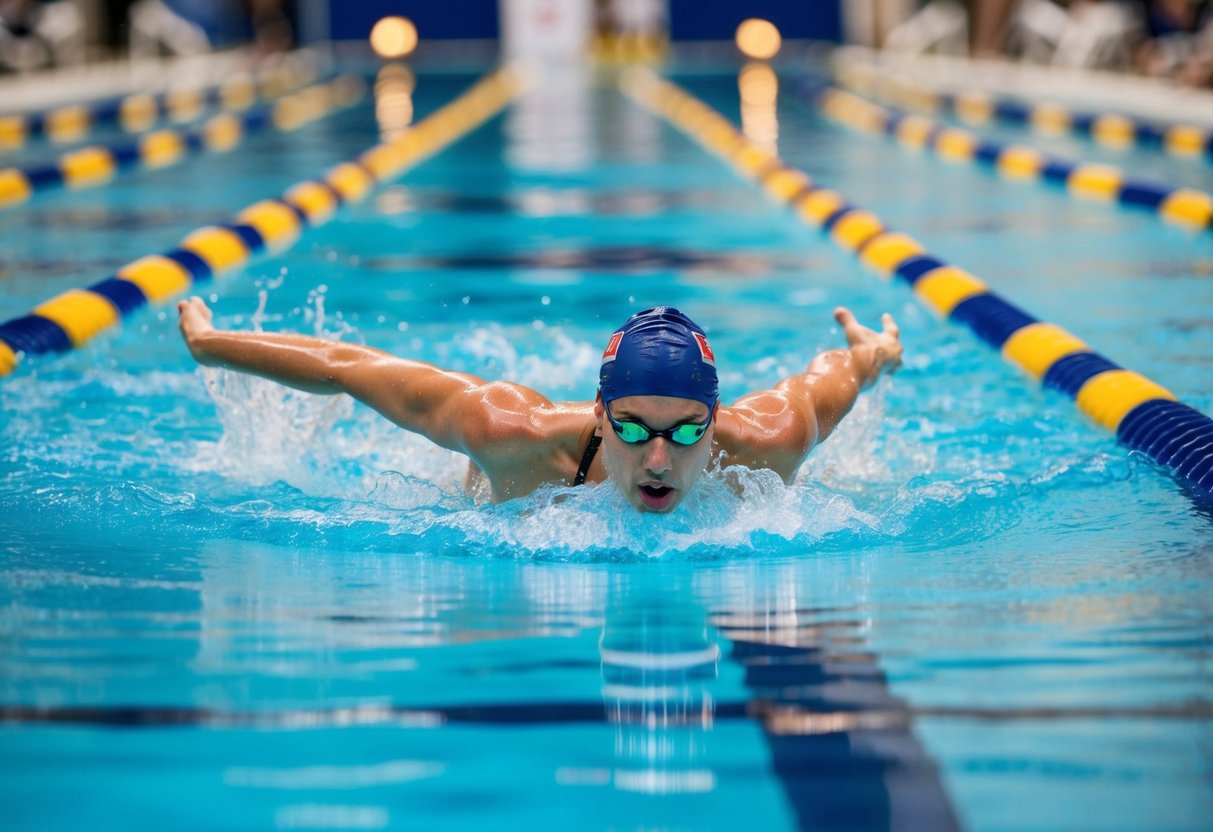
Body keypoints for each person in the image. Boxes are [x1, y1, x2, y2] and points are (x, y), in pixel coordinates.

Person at [177, 298, 903, 512]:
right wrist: (212, 345)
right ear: (597, 413)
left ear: (714, 421)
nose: (657, 458)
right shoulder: (508, 432)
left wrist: (875, 353)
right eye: (630, 428)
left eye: (685, 432)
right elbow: (345, 366)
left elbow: (838, 372)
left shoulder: (769, 440)